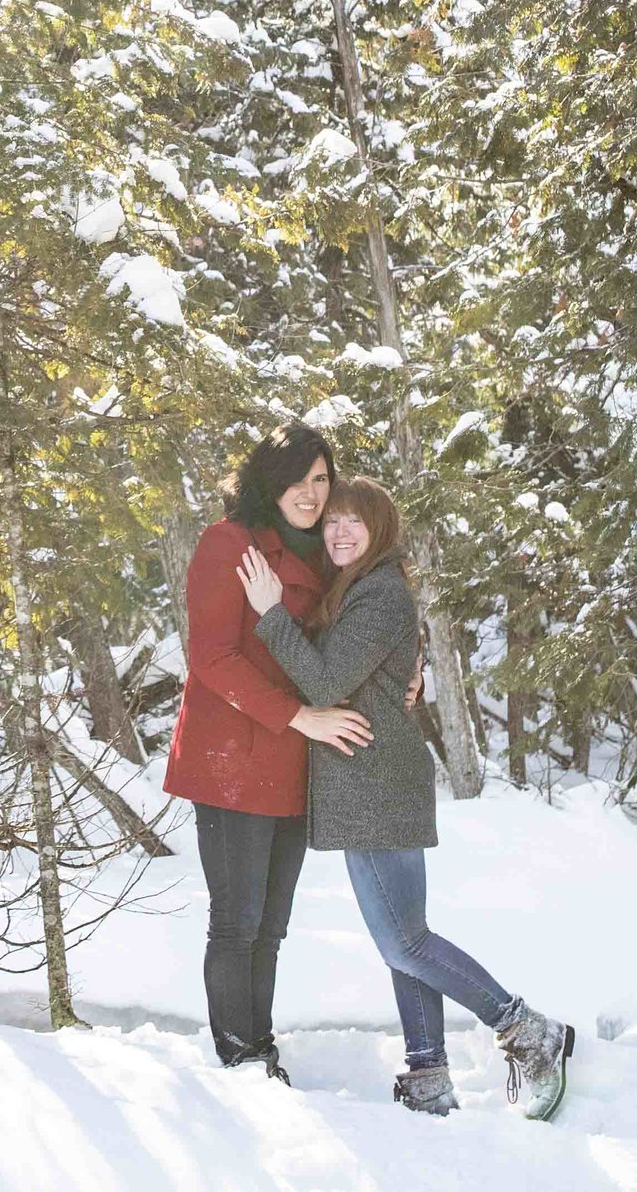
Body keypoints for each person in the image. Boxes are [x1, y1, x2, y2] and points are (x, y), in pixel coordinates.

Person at [239, 479, 574, 1121]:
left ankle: (528, 1030)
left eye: (353, 523)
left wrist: (269, 611)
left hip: (379, 786)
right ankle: (428, 1075)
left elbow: (326, 680)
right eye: (330, 522)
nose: (338, 532)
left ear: (381, 530)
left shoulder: (381, 594)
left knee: (405, 943)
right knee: (404, 938)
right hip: (365, 786)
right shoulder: (358, 589)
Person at [165, 424, 376, 1077]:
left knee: (272, 927)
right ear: (267, 479)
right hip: (231, 759)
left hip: (290, 759)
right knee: (238, 921)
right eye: (297, 479)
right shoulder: (228, 543)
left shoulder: (321, 555)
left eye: (321, 479)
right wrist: (297, 716)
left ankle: (261, 1046)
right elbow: (213, 658)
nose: (311, 494)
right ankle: (240, 1052)